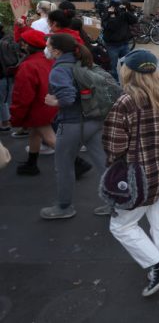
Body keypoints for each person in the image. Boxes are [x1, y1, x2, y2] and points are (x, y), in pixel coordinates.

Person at [104, 50, 159, 297]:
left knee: (122, 227)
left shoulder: (125, 101)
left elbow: (114, 146)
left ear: (128, 72)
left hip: (139, 176)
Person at [40, 33, 110, 220]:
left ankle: (64, 206)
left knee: (63, 166)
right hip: (95, 119)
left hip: (73, 123)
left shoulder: (59, 70)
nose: (46, 49)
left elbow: (68, 97)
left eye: (48, 46)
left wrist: (54, 101)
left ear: (56, 51)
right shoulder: (84, 62)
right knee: (103, 162)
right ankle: (116, 202)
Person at [11, 29, 58, 176]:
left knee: (50, 138)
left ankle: (77, 162)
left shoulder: (28, 65)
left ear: (26, 45)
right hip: (48, 103)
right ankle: (31, 163)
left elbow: (22, 95)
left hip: (37, 107)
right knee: (34, 133)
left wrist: (16, 115)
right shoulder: (48, 60)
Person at [101, 0, 138, 80]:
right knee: (112, 69)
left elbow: (134, 20)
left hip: (124, 44)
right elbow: (111, 27)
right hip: (112, 46)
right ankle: (116, 86)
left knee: (127, 66)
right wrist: (112, 15)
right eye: (116, 6)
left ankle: (128, 84)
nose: (117, 8)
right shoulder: (106, 13)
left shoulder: (123, 13)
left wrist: (126, 12)